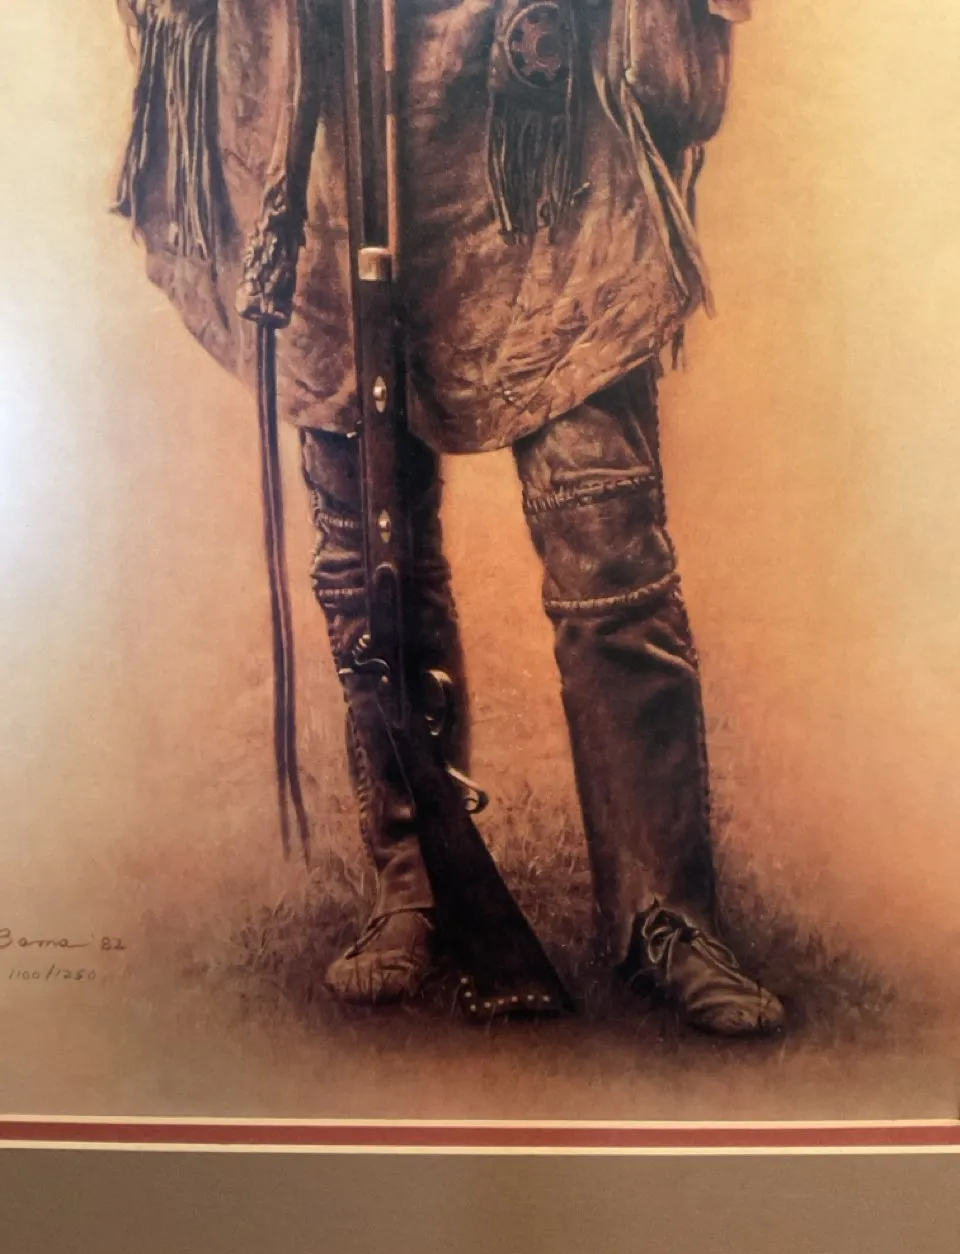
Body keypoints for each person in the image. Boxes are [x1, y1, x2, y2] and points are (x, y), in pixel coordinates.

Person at [114, 0, 783, 1036]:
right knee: (367, 546)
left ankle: (666, 912)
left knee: (608, 542)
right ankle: (414, 877)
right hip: (325, 101)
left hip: (536, 105)